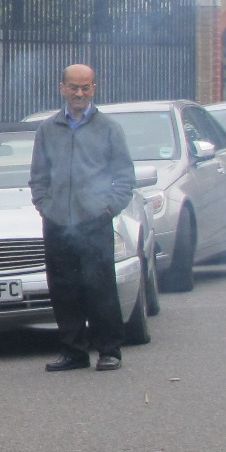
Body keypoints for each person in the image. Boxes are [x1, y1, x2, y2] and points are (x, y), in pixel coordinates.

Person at [29, 63, 136, 372]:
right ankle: (73, 352)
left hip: (94, 221)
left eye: (85, 87)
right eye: (73, 87)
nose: (79, 93)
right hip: (58, 222)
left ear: (94, 89)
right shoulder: (47, 129)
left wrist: (108, 208)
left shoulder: (109, 128)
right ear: (62, 88)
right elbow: (38, 175)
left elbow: (124, 177)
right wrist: (45, 205)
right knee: (63, 289)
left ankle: (109, 350)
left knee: (100, 288)